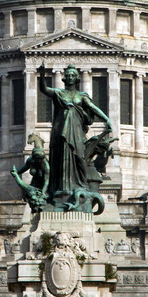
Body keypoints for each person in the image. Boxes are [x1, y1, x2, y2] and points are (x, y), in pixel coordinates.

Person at [38, 65, 111, 201]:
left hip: (76, 132)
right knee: (62, 158)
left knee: (78, 157)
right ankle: (62, 189)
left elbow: (93, 108)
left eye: (73, 75)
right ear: (64, 78)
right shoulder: (59, 93)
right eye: (68, 75)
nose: (70, 77)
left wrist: (106, 119)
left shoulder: (81, 96)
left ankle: (80, 184)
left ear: (77, 79)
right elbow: (44, 89)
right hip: (61, 132)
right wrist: (42, 75)